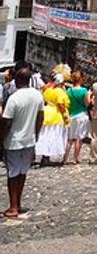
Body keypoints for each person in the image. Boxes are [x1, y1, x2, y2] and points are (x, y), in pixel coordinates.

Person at [0, 64, 44, 218]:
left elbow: (6, 122)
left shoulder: (14, 99)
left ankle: (13, 207)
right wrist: (36, 134)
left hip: (13, 141)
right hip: (29, 140)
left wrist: (1, 140)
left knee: (12, 174)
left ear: (17, 79)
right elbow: (40, 117)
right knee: (22, 172)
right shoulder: (37, 95)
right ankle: (17, 202)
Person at [35, 74, 69, 165]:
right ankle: (47, 155)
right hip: (55, 114)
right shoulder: (59, 92)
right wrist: (65, 115)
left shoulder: (48, 90)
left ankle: (44, 156)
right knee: (53, 135)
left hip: (47, 113)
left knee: (45, 135)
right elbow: (60, 104)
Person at [64, 70, 89, 165]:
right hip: (81, 115)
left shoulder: (68, 91)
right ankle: (75, 158)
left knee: (69, 138)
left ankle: (65, 158)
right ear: (81, 79)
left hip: (71, 115)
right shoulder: (84, 91)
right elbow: (87, 104)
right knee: (79, 138)